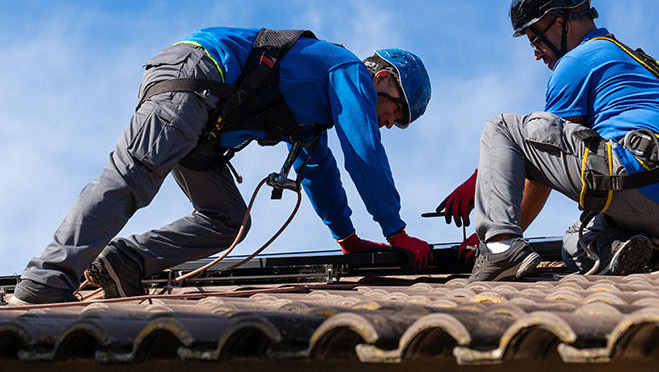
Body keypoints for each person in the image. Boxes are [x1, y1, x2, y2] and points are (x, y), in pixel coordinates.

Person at [11, 27, 433, 305]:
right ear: (381, 78)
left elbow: (321, 169)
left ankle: (127, 262)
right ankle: (45, 282)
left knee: (227, 220)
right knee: (131, 179)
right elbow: (364, 150)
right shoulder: (348, 70)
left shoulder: (311, 117)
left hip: (205, 126)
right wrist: (396, 230)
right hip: (194, 81)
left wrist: (349, 239)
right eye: (397, 111)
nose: (390, 122)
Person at [438, 0, 659, 282]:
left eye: (536, 39)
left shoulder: (578, 61)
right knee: (575, 243)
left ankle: (500, 250)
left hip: (637, 186)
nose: (537, 54)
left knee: (501, 128)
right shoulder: (625, 58)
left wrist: (487, 234)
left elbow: (539, 165)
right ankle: (646, 251)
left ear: (559, 21)